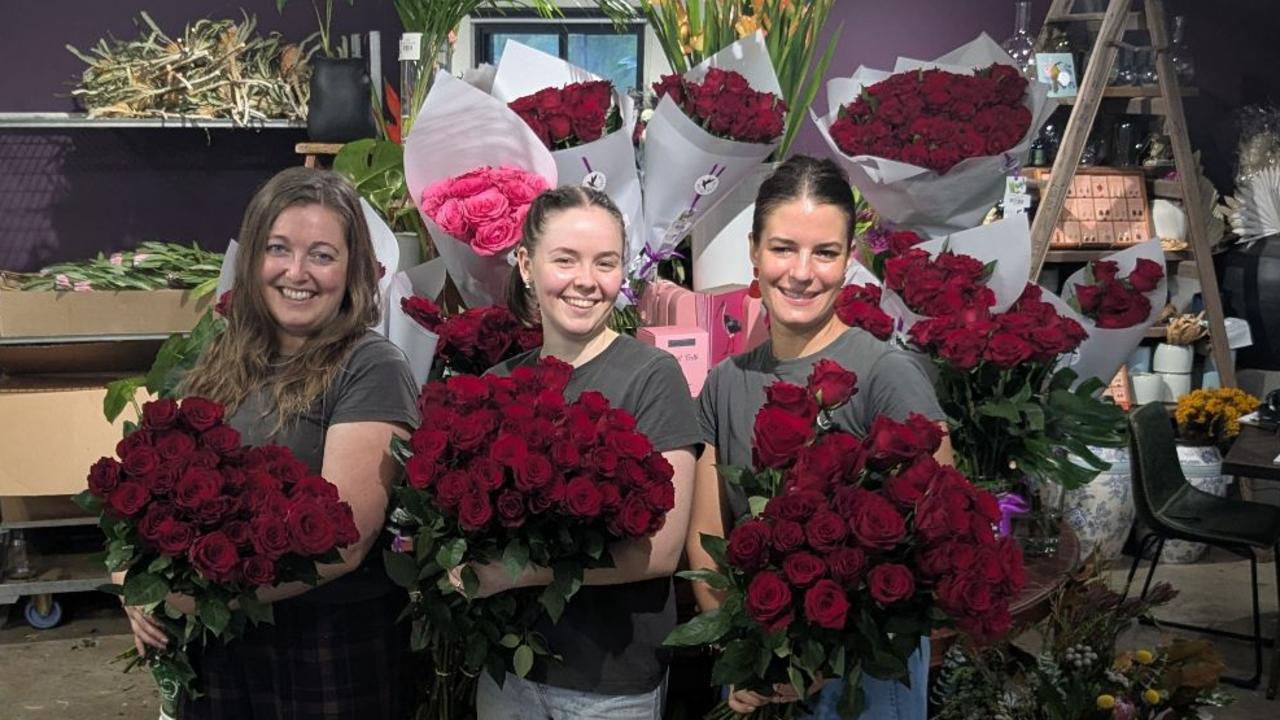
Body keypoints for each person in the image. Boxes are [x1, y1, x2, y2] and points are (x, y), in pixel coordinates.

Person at [119, 167, 420, 719]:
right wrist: (137, 581)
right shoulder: (220, 358)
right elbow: (158, 494)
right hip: (219, 644)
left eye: (322, 255)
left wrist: (197, 598)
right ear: (253, 256)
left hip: (323, 647)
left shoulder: (370, 367)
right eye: (279, 248)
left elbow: (344, 542)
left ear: (352, 269)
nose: (296, 272)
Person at [687, 156, 953, 719]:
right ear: (754, 251)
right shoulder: (724, 384)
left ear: (849, 259)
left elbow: (939, 536)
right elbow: (707, 535)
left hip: (859, 679)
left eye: (825, 252)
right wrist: (745, 654)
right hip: (756, 681)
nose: (802, 272)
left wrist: (821, 659)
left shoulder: (887, 375)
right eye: (783, 248)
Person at [466, 186, 700, 719]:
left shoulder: (652, 377)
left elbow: (660, 552)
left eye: (605, 263)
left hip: (611, 684)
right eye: (565, 260)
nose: (586, 282)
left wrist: (515, 572)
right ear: (526, 264)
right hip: (512, 674)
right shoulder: (497, 384)